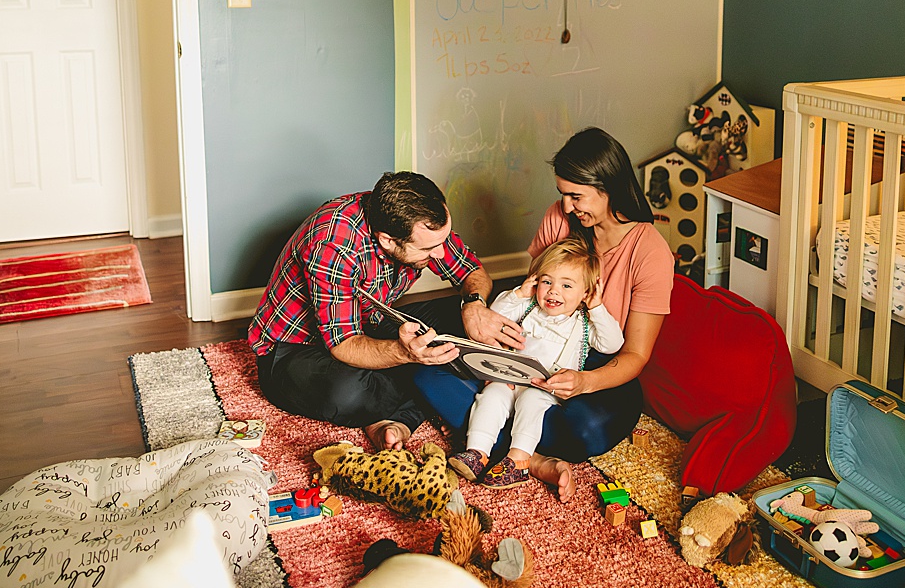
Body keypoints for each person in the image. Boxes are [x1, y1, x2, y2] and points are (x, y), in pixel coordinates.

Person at [414, 127, 673, 501]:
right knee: (427, 369)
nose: (567, 207)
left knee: (588, 429)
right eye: (562, 194)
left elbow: (634, 354)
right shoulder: (561, 218)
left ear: (609, 187)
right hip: (530, 347)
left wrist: (584, 382)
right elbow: (532, 294)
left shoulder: (650, 253)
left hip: (594, 360)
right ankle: (529, 459)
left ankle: (511, 448)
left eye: (576, 196)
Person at [248, 171, 526, 451]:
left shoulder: (421, 222)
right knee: (349, 394)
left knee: (472, 322)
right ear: (388, 241)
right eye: (429, 248)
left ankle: (403, 405)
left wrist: (474, 304)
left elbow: (470, 270)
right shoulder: (332, 244)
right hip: (295, 351)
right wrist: (405, 354)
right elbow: (344, 344)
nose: (441, 253)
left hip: (368, 326)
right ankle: (415, 405)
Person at [447, 237, 624, 489]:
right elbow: (496, 315)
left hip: (546, 387)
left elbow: (612, 344)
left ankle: (519, 459)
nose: (553, 291)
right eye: (547, 281)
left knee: (531, 402)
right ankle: (477, 452)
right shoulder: (529, 308)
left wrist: (597, 308)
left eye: (566, 286)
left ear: (585, 293)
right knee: (491, 396)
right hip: (510, 377)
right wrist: (520, 293)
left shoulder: (583, 323)